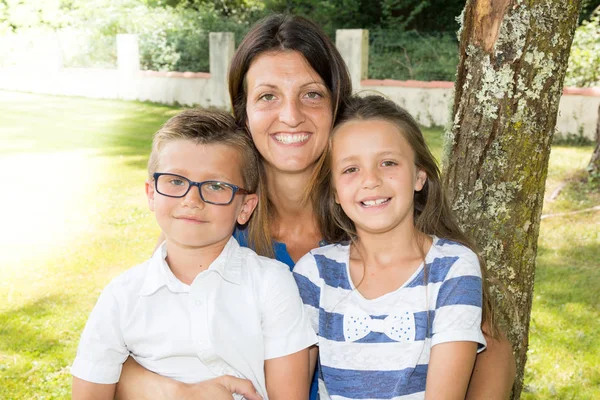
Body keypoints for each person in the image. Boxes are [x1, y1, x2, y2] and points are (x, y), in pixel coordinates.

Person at [115, 13, 516, 400]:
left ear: (336, 104)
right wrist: (179, 392)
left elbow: (490, 347)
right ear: (244, 112)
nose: (290, 116)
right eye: (268, 96)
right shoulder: (216, 222)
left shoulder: (376, 214)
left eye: (311, 95)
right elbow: (121, 354)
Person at [71, 109, 317, 400]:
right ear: (151, 193)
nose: (192, 200)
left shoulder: (270, 283)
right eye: (175, 181)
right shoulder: (122, 296)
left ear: (245, 208)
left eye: (216, 186)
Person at [293, 94, 493, 399]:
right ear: (334, 191)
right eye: (350, 169)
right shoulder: (315, 273)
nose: (371, 180)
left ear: (419, 176)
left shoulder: (453, 268)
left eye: (388, 163)